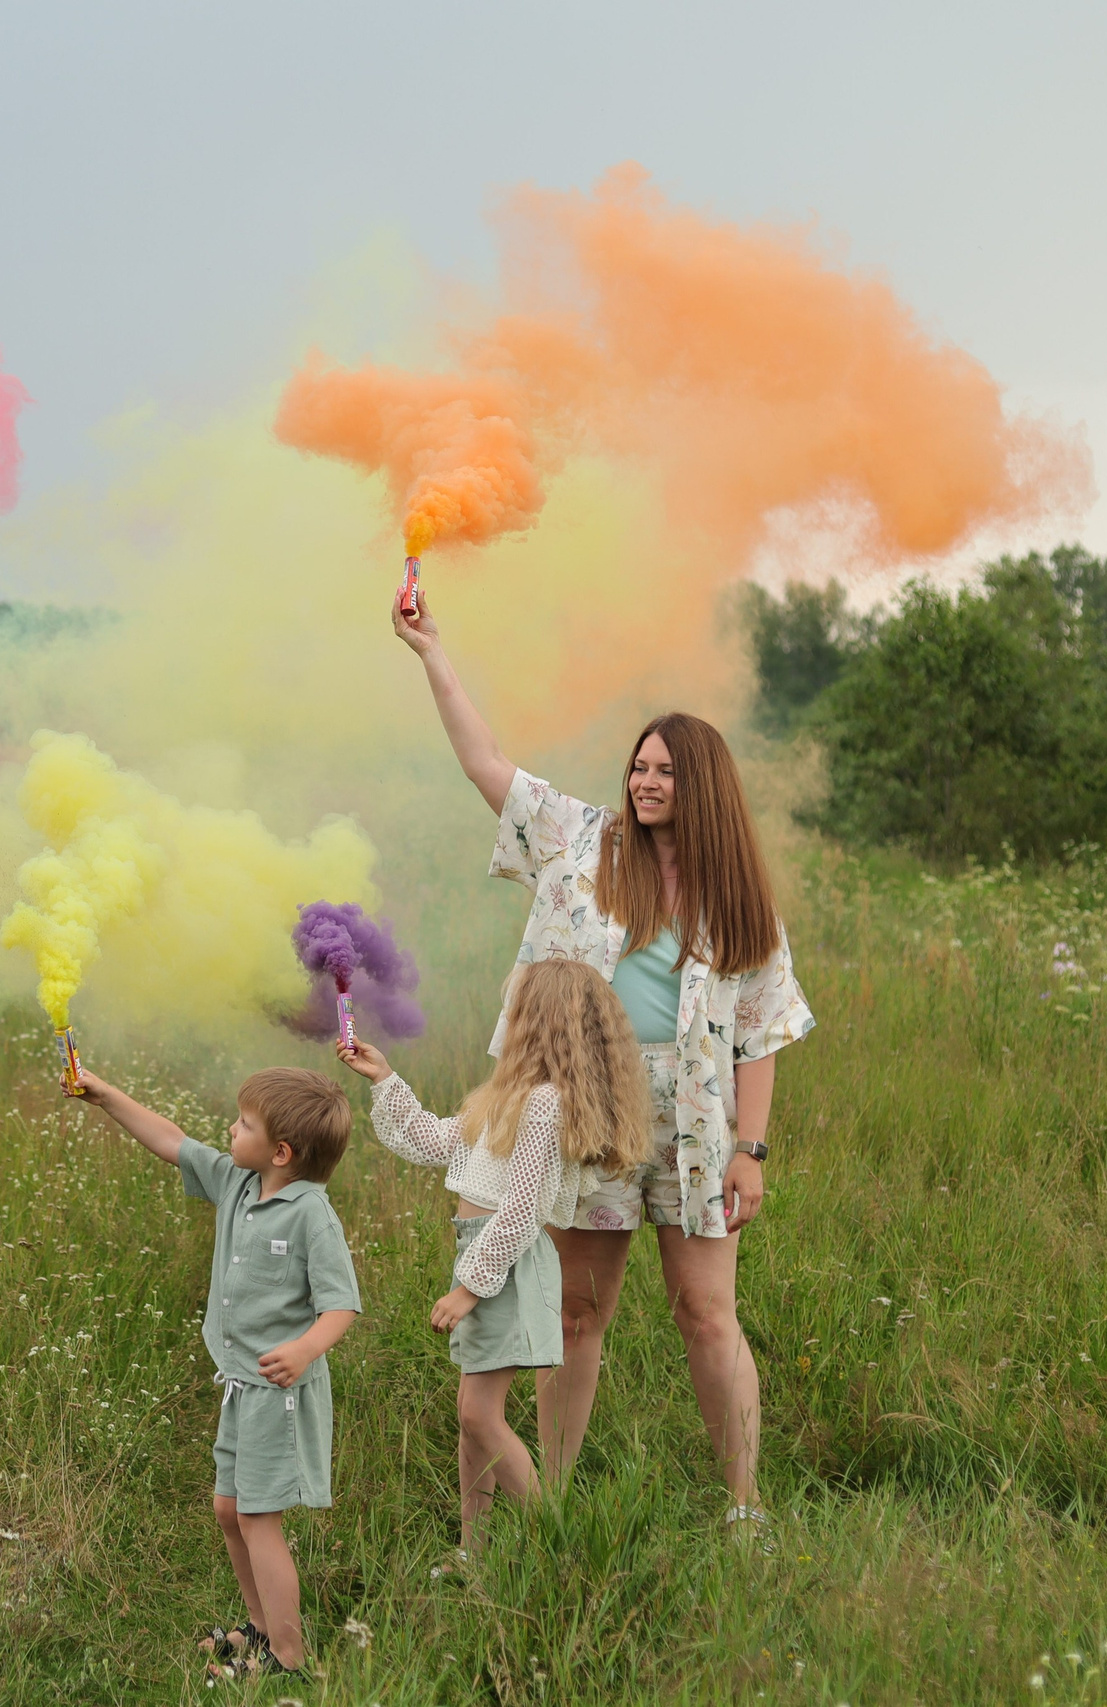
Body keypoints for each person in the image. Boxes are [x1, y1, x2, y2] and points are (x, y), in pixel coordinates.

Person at [389, 587, 816, 1543]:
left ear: (703, 785)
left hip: (696, 1116)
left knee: (707, 1312)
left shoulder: (739, 896)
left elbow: (759, 1031)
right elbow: (485, 763)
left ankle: (745, 1506)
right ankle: (554, 1507)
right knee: (578, 1311)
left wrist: (751, 1148)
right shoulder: (581, 839)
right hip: (587, 1102)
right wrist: (432, 653)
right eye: (640, 765)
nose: (645, 780)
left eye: (666, 770)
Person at [336, 958, 652, 1547]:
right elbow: (432, 1140)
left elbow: (521, 1211)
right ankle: (474, 1552)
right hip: (484, 1257)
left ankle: (557, 1541)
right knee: (471, 1417)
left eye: (514, 1008)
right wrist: (384, 1079)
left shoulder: (543, 1106)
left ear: (537, 1021)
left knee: (479, 1416)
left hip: (502, 1262)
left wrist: (469, 1287)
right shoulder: (504, 1097)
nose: (505, 1019)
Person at [67, 1061, 360, 1679]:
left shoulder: (311, 1214)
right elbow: (172, 1141)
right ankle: (258, 1629)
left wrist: (305, 1350)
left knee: (257, 1517)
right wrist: (106, 1095)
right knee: (229, 1510)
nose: (231, 1129)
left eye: (244, 1123)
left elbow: (341, 1306)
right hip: (240, 1385)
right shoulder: (237, 1182)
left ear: (281, 1152)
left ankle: (289, 1656)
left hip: (278, 1392)